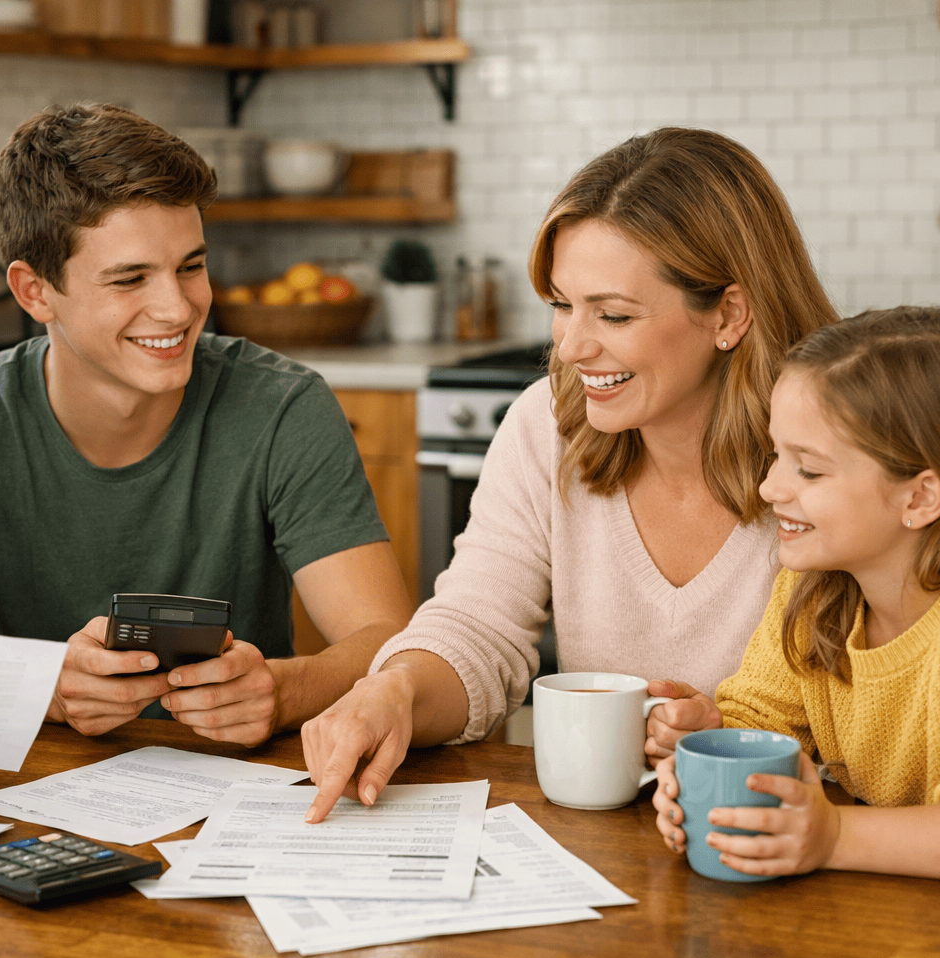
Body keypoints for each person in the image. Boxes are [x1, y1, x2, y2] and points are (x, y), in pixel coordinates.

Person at [300, 127, 839, 822]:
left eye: (613, 314)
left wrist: (735, 745)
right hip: (609, 848)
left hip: (794, 845)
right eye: (561, 305)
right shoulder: (547, 425)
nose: (572, 346)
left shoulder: (835, 455)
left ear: (729, 314)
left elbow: (880, 715)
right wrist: (396, 689)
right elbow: (479, 626)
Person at [0, 104, 411, 748]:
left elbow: (388, 644)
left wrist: (285, 693)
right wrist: (45, 689)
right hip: (38, 787)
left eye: (191, 266)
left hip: (241, 791)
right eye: (129, 278)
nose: (178, 307)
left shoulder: (284, 407)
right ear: (34, 292)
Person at [649, 307, 940, 893]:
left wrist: (835, 837)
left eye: (809, 471)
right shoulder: (818, 590)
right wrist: (708, 754)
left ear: (921, 497)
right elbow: (760, 720)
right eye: (776, 455)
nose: (769, 488)